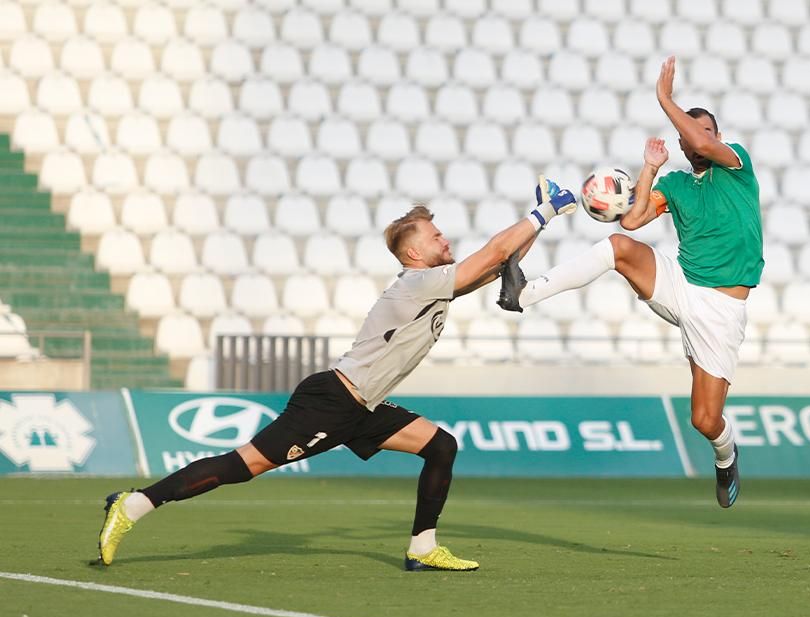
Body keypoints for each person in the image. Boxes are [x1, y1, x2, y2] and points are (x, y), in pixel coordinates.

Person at [98, 179, 579, 571]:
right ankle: (136, 504)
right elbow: (493, 254)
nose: (445, 241)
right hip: (332, 402)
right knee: (243, 467)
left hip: (362, 405)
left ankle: (423, 548)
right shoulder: (420, 283)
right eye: (436, 237)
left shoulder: (434, 285)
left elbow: (501, 264)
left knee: (440, 446)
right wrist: (545, 212)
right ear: (414, 254)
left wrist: (541, 219)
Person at [495, 56, 764, 508]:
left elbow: (702, 138)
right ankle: (525, 293)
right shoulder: (676, 183)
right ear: (681, 145)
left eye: (708, 133)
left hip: (721, 308)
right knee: (618, 246)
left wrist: (664, 98)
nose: (700, 140)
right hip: (682, 284)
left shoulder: (737, 165)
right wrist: (650, 168)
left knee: (704, 420)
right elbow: (634, 220)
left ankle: (726, 455)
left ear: (718, 138)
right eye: (690, 135)